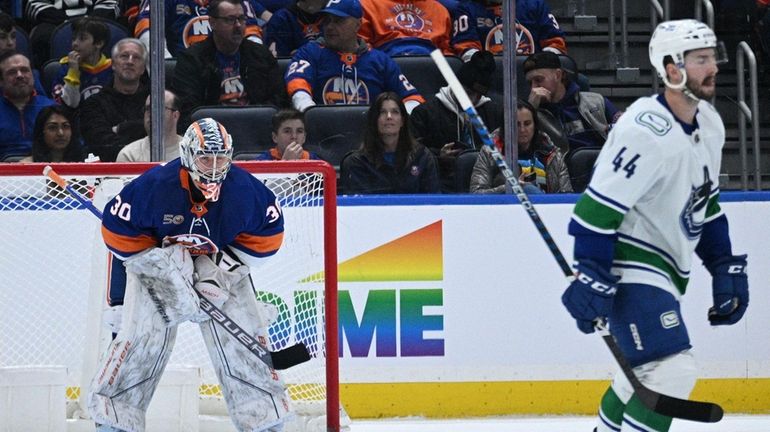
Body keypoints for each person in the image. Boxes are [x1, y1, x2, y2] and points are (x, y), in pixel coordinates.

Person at [561, 20, 749, 432]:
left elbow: (707, 202)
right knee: (669, 370)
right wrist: (591, 273)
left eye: (711, 57)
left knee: (639, 380)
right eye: (700, 59)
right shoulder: (642, 130)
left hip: (664, 269)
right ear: (671, 67)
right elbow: (596, 211)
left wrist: (723, 265)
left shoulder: (711, 124)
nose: (713, 67)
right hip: (628, 262)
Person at [87, 117, 291, 432]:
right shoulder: (155, 186)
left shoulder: (246, 192)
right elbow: (117, 234)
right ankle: (116, 422)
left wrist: (220, 271)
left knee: (245, 337)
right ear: (187, 156)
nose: (212, 166)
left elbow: (268, 239)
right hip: (160, 265)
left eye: (220, 157)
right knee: (142, 339)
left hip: (221, 263)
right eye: (204, 157)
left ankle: (265, 419)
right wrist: (161, 267)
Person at [285, 0, 424, 112]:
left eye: (338, 20)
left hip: (372, 138)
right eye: (327, 20)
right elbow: (297, 82)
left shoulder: (380, 60)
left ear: (358, 25)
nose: (329, 27)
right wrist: (310, 112)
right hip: (323, 133)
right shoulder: (310, 52)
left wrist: (402, 118)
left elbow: (411, 97)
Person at [172, 0, 288, 132]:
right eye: (230, 20)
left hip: (256, 130)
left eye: (241, 19)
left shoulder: (261, 55)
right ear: (212, 23)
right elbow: (187, 110)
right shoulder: (191, 59)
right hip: (211, 135)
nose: (238, 25)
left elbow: (279, 101)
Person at [410, 50, 500, 192]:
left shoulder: (492, 111)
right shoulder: (425, 112)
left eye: (479, 95)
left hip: (486, 183)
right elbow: (411, 152)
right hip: (441, 181)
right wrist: (438, 155)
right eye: (468, 93)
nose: (472, 100)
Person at [342, 92, 440, 194]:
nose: (389, 117)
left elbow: (434, 203)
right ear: (374, 120)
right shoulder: (357, 163)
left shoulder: (422, 157)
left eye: (395, 112)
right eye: (382, 112)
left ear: (402, 120)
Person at [523, 51, 622, 152]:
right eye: (530, 83)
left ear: (558, 75)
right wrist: (531, 110)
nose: (533, 88)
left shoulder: (596, 101)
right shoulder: (531, 113)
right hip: (555, 166)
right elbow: (521, 147)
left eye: (539, 80)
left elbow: (625, 127)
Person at [469, 99, 571, 194]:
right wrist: (507, 189)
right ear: (506, 126)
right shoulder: (490, 151)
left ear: (535, 125)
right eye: (516, 124)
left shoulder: (551, 152)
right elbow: (476, 194)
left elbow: (567, 195)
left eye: (527, 124)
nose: (522, 130)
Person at [80, 38, 149, 161]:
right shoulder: (94, 103)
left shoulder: (156, 101)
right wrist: (141, 128)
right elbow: (102, 144)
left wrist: (122, 128)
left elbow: (164, 134)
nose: (130, 61)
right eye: (124, 56)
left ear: (143, 68)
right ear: (112, 64)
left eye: (136, 58)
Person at [134, 0, 270, 59]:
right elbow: (147, 28)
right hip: (183, 70)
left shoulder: (236, 1)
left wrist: (252, 64)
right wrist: (167, 66)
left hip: (232, 65)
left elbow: (252, 33)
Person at [357, 0, 476, 58]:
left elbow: (446, 51)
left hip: (435, 64)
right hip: (387, 62)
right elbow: (361, 46)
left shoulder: (439, 9)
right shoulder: (366, 5)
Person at [25, 0, 119, 69]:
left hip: (94, 19)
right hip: (55, 21)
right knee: (42, 36)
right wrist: (65, 22)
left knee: (112, 33)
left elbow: (110, 4)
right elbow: (35, 4)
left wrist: (89, 23)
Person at [0, 51, 56, 161]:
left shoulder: (52, 109)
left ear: (33, 75)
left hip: (46, 171)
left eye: (25, 70)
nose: (20, 75)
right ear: (1, 81)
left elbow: (72, 149)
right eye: (12, 72)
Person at [460, 0, 567, 55]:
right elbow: (467, 48)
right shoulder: (467, 9)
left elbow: (555, 43)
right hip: (487, 78)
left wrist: (543, 65)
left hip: (534, 75)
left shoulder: (535, 4)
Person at [50, 16, 113, 108]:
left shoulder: (112, 68)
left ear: (99, 43)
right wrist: (73, 72)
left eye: (82, 39)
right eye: (74, 38)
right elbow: (70, 104)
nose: (75, 43)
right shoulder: (65, 68)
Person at [116, 90, 182, 162]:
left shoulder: (191, 151)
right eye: (148, 109)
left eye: (159, 108)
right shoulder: (129, 155)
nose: (152, 113)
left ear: (175, 115)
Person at [0, 12, 48, 96]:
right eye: (2, 37)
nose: (10, 43)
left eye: (13, 36)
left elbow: (42, 104)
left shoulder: (29, 74)